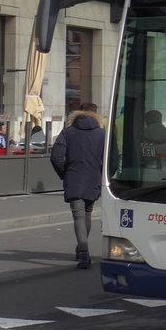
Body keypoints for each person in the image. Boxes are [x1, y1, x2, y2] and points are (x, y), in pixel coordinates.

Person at [50, 103, 105, 269]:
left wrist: (64, 174)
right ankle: (82, 248)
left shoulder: (67, 133)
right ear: (96, 115)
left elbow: (56, 157)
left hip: (73, 177)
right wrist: (102, 175)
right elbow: (113, 160)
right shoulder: (103, 134)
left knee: (78, 215)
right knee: (87, 213)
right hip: (94, 178)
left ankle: (83, 251)